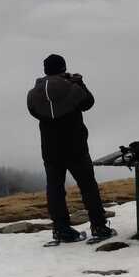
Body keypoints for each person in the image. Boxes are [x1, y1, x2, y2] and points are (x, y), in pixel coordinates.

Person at [26, 53, 112, 245]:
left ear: (45, 70)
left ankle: (61, 229)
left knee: (55, 189)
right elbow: (88, 102)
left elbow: (34, 112)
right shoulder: (72, 87)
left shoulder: (33, 94)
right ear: (63, 68)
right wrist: (80, 83)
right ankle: (99, 226)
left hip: (50, 150)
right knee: (88, 186)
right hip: (76, 147)